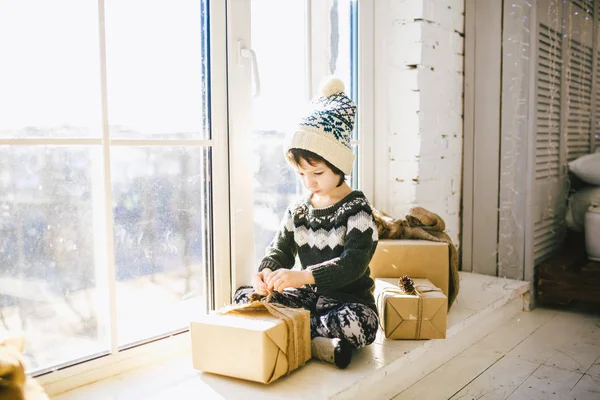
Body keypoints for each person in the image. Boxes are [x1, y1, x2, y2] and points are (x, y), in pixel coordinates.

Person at [234, 76, 379, 369]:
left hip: (347, 302)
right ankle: (317, 342)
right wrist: (265, 275)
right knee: (243, 298)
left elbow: (353, 264)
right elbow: (280, 250)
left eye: (317, 173)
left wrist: (304, 276)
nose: (309, 182)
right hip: (309, 301)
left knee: (359, 325)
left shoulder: (357, 210)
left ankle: (296, 331)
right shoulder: (299, 211)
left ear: (338, 166)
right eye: (301, 174)